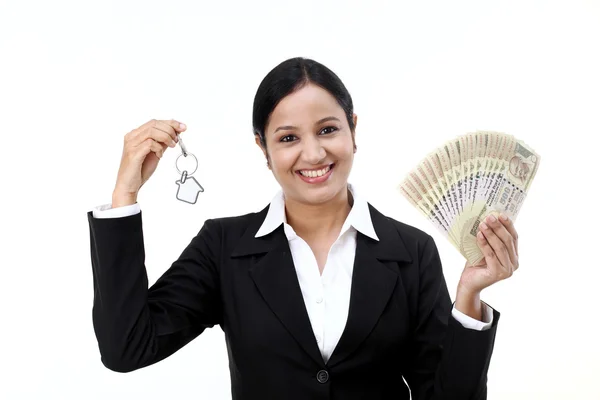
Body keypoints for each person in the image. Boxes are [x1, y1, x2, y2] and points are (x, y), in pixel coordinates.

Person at [87, 57, 520, 400]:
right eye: (288, 138)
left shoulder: (411, 250)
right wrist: (125, 194)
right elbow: (127, 348)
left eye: (328, 129)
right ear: (263, 147)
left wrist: (468, 299)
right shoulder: (223, 247)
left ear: (353, 129)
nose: (313, 153)